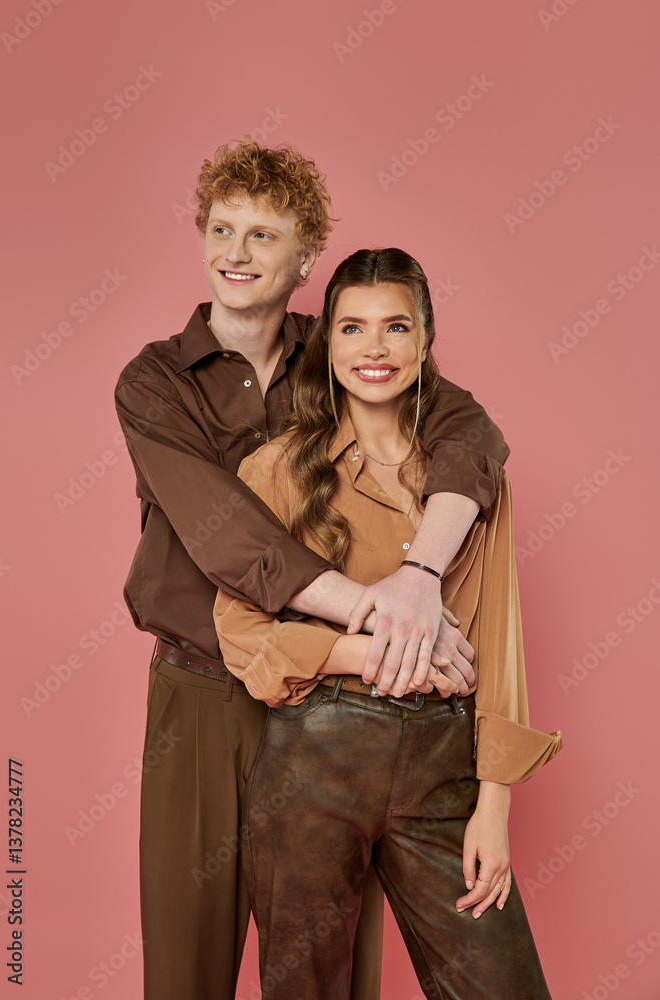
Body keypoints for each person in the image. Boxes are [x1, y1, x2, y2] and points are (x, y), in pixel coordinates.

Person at [115, 141, 511, 1000]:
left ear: (305, 259)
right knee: (185, 964)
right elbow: (228, 536)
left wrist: (421, 575)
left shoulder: (337, 347)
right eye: (221, 230)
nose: (236, 252)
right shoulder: (153, 381)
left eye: (263, 234)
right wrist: (385, 617)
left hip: (332, 703)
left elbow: (467, 431)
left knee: (327, 971)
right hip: (203, 694)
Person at [214, 248, 563, 999]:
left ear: (425, 338)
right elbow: (240, 633)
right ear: (328, 341)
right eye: (353, 328)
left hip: (443, 762)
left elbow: (499, 641)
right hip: (313, 760)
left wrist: (494, 805)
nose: (374, 348)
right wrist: (364, 651)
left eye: (396, 327)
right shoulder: (275, 470)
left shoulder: (471, 480)